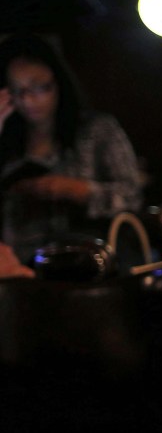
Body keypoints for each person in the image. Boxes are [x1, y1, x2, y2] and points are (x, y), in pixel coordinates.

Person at [0, 33, 143, 264]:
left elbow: (132, 196)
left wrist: (76, 190)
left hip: (93, 265)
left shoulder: (96, 130)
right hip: (24, 277)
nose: (28, 101)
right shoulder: (8, 142)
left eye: (39, 87)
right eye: (18, 91)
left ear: (58, 82)